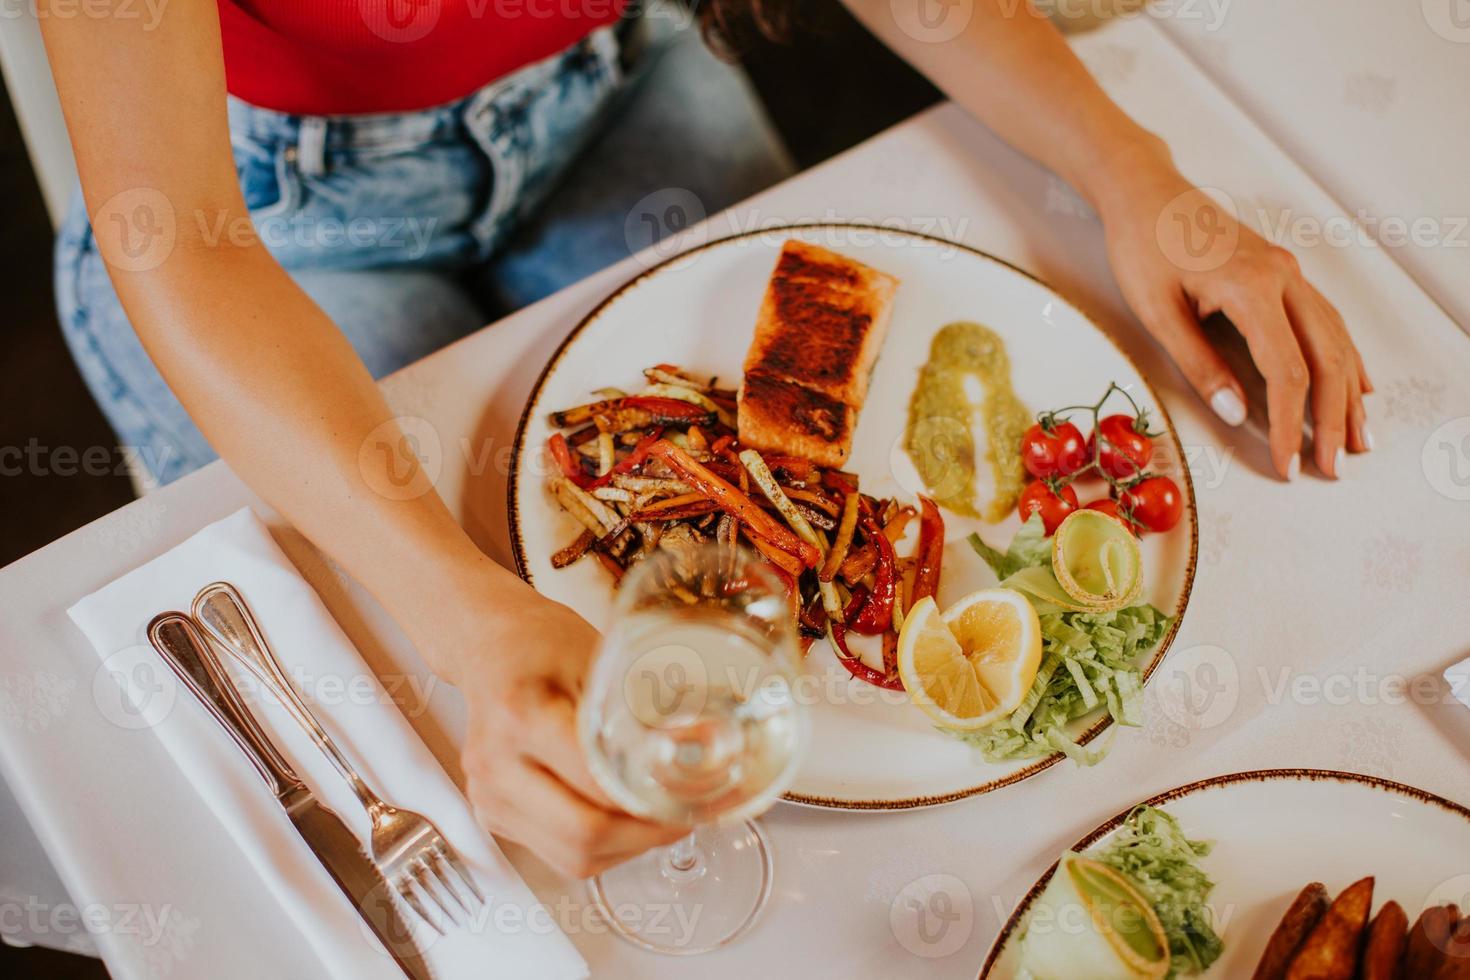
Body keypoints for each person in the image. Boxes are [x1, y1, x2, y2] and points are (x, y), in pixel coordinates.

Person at [40, 0, 1370, 878]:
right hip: (273, 212)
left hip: (610, 90)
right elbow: (183, 246)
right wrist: (474, 627)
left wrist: (1131, 172)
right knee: (404, 689)